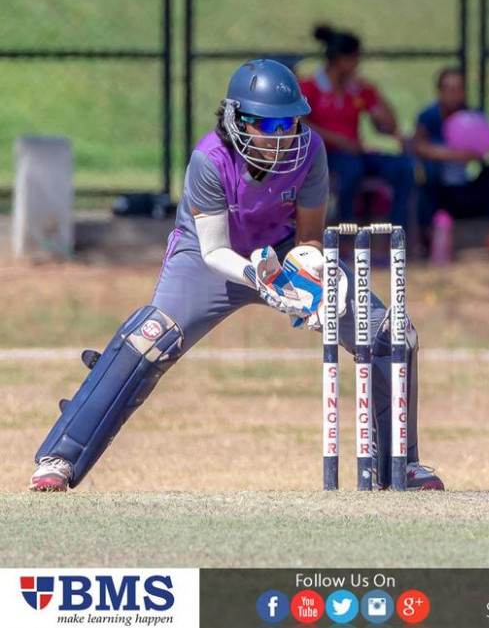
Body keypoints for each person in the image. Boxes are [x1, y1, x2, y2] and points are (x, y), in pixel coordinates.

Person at [29, 60, 442, 492]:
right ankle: (61, 457)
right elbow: (213, 250)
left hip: (283, 250)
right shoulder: (209, 160)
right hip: (208, 258)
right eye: (271, 124)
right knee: (151, 336)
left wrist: (318, 276)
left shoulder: (311, 151)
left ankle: (400, 466)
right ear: (237, 119)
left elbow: (308, 237)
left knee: (391, 332)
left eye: (292, 122)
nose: (284, 136)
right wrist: (256, 275)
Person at [299, 25, 414, 231]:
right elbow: (302, 124)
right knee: (351, 171)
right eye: (354, 59)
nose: (357, 65)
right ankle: (345, 233)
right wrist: (340, 141)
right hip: (327, 155)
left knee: (402, 167)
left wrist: (374, 94)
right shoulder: (311, 87)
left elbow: (388, 126)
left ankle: (397, 233)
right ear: (340, 60)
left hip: (356, 153)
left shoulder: (358, 89)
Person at [411, 67, 489, 251]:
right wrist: (456, 155)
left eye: (459, 89)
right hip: (439, 193)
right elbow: (418, 146)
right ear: (440, 91)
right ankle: (426, 237)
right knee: (426, 172)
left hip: (466, 190)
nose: (455, 95)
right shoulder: (429, 117)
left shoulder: (472, 116)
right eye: (449, 89)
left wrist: (488, 148)